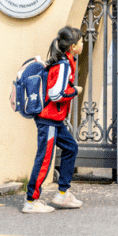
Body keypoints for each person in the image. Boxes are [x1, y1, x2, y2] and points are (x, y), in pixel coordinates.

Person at [24, 25, 83, 213]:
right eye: (81, 42)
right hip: (48, 119)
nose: (83, 44)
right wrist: (75, 91)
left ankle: (62, 194)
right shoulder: (64, 65)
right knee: (44, 159)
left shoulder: (65, 61)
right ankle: (31, 202)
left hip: (54, 119)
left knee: (71, 147)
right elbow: (56, 94)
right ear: (73, 46)